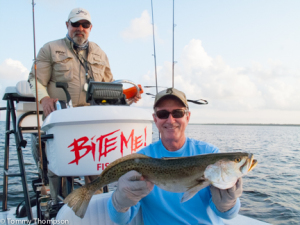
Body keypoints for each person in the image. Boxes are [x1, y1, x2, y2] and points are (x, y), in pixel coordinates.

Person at [27, 7, 140, 202]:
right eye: (76, 24)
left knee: (96, 169)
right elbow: (35, 80)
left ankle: (92, 207)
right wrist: (45, 99)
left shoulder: (100, 53)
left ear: (90, 27)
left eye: (85, 25)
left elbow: (110, 89)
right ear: (67, 25)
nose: (80, 28)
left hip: (93, 124)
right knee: (58, 167)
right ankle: (58, 205)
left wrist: (127, 99)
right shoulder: (50, 48)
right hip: (61, 121)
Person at [107, 88, 243, 224]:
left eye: (178, 113)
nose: (170, 120)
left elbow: (227, 215)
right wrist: (120, 201)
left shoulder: (210, 153)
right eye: (162, 114)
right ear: (155, 119)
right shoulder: (141, 159)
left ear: (187, 117)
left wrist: (228, 203)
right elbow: (121, 220)